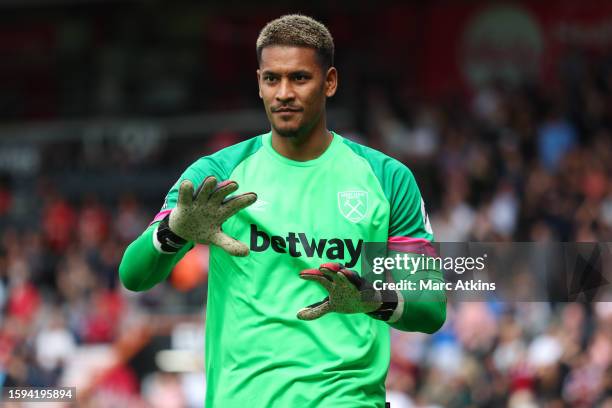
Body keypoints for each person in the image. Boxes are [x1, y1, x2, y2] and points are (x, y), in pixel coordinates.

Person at [119, 14, 446, 407]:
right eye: (272, 79)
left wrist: (374, 300)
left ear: (330, 82)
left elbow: (430, 308)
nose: (284, 93)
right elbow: (133, 275)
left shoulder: (387, 179)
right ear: (259, 83)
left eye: (300, 78)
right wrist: (173, 231)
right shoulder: (218, 175)